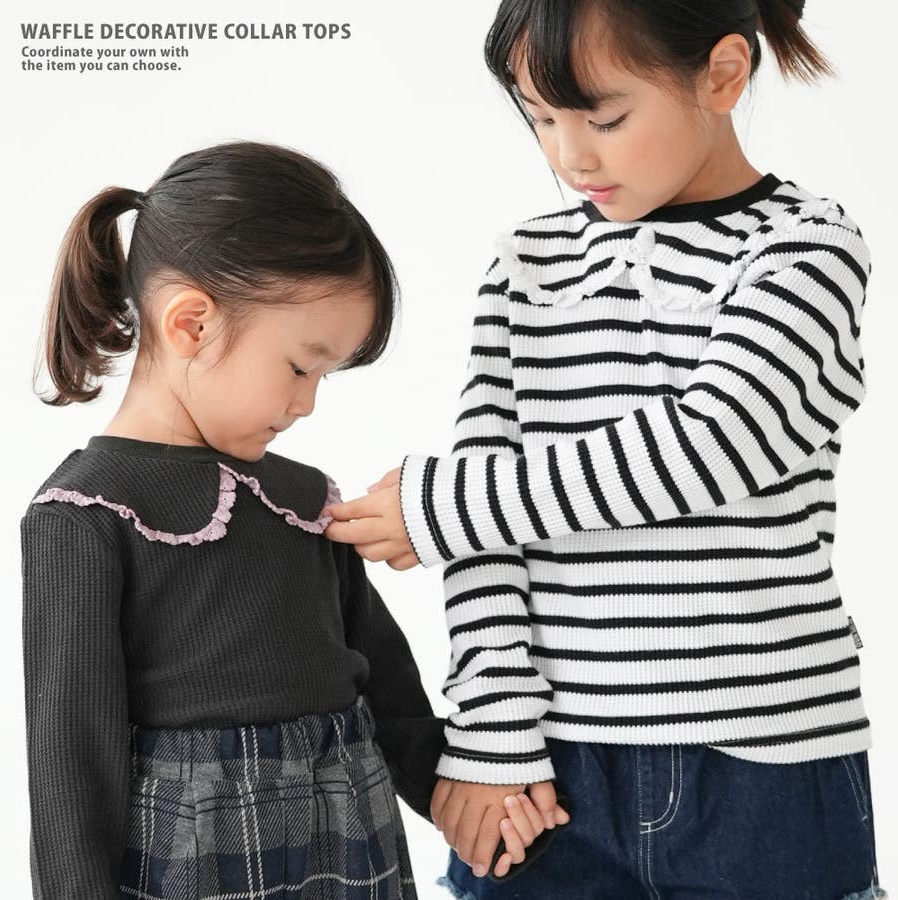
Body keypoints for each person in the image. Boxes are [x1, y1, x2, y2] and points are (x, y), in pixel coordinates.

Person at [323, 2, 886, 897]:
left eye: (605, 118)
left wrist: (443, 507)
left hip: (762, 768)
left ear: (723, 74)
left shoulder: (804, 248)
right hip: (549, 773)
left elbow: (715, 441)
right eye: (541, 119)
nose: (569, 157)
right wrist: (494, 733)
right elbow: (488, 534)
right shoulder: (527, 266)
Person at [20, 141, 552, 900]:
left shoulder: (302, 498)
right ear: (191, 324)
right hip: (198, 863)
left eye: (323, 376)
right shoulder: (84, 515)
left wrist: (459, 796)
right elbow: (71, 767)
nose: (306, 403)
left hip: (352, 838)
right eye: (301, 367)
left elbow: (384, 681)